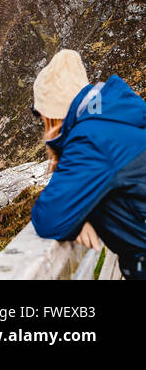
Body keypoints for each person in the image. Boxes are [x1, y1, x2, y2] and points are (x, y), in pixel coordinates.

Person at [30, 49, 146, 279]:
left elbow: (49, 218)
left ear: (52, 115)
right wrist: (81, 214)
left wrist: (73, 219)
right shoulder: (114, 119)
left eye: (41, 116)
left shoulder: (92, 138)